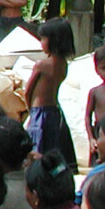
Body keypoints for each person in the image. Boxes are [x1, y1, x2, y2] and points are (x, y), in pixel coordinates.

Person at [27, 17, 78, 165]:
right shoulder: (64, 65)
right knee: (52, 150)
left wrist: (30, 110)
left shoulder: (42, 65)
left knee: (37, 151)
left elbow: (28, 91)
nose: (41, 42)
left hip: (39, 112)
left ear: (54, 40)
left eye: (43, 38)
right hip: (55, 111)